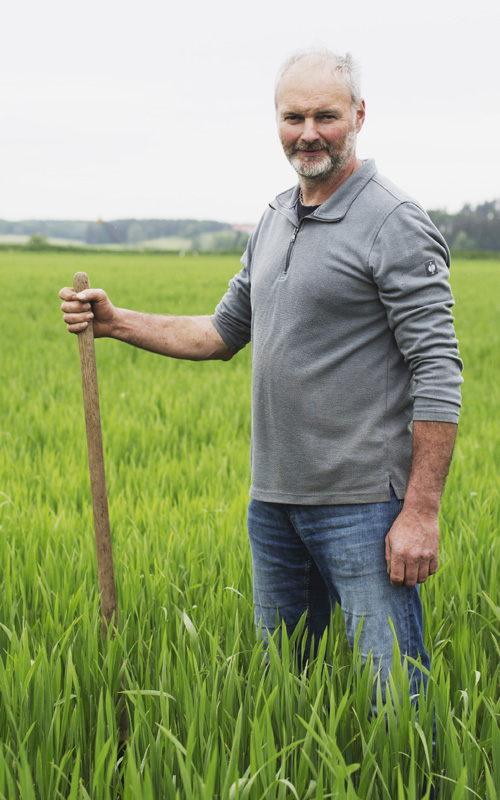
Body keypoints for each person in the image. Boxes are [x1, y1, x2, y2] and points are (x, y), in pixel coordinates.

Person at [59, 48, 462, 705]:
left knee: (398, 705)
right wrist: (114, 321)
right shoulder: (274, 219)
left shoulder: (395, 223)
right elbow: (221, 334)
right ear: (277, 122)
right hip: (273, 506)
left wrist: (420, 512)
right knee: (286, 692)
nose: (308, 132)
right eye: (293, 116)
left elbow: (438, 367)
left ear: (358, 115)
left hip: (365, 506)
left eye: (325, 116)